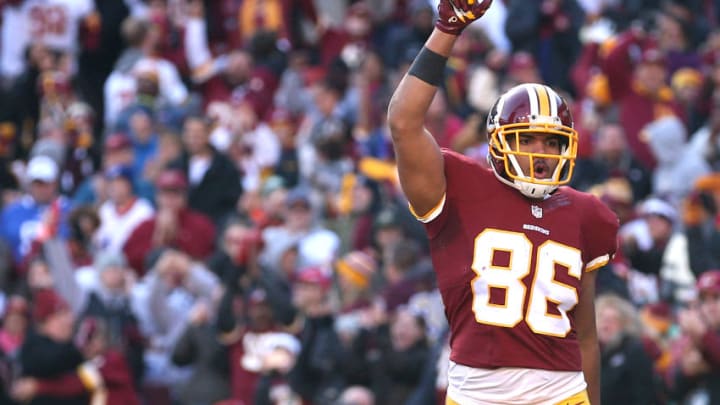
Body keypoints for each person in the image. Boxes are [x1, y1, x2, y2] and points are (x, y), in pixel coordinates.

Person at [385, 1, 619, 404]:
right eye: (525, 139)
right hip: (477, 394)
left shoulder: (588, 213)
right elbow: (404, 122)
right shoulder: (458, 185)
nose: (540, 152)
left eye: (552, 142)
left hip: (561, 395)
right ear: (497, 144)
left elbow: (586, 335)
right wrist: (447, 29)